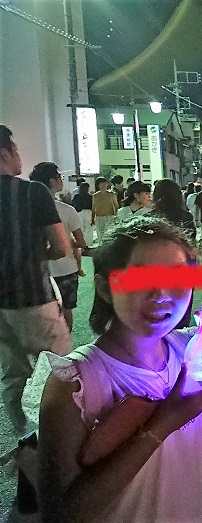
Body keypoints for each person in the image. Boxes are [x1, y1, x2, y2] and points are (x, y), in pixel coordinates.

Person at [38, 215, 202, 522]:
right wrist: (164, 421)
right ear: (105, 288)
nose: (161, 294)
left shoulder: (193, 351)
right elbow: (62, 514)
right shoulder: (76, 384)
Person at [0, 125, 72, 434]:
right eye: (15, 149)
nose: (19, 156)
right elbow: (60, 246)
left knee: (13, 373)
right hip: (32, 297)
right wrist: (33, 255)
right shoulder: (31, 192)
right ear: (5, 153)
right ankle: (61, 436)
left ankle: (24, 436)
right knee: (60, 368)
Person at [30, 162, 88, 331]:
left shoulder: (27, 209)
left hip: (38, 270)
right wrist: (65, 242)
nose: (62, 180)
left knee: (42, 313)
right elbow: (81, 243)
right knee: (66, 311)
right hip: (66, 270)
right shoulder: (67, 210)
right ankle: (66, 344)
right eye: (59, 177)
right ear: (52, 181)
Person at [152, 179, 197, 328]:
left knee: (159, 300)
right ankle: (180, 332)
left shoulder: (152, 217)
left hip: (157, 265)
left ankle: (161, 331)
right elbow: (191, 240)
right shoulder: (185, 216)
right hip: (184, 264)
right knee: (182, 302)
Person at [91, 177, 118, 246]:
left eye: (105, 184)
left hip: (110, 216)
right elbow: (93, 207)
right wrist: (92, 218)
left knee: (109, 233)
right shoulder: (95, 195)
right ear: (98, 185)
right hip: (99, 217)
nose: (104, 186)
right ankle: (101, 247)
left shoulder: (112, 194)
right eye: (102, 184)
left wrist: (116, 216)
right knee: (100, 234)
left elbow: (116, 206)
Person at [72, 182, 94, 249]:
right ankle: (89, 244)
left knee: (81, 229)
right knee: (89, 229)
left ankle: (82, 244)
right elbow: (92, 206)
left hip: (79, 213)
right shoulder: (90, 197)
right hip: (88, 212)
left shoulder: (76, 196)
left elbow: (73, 204)